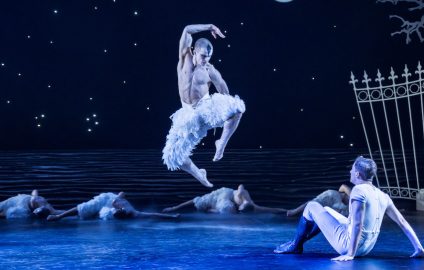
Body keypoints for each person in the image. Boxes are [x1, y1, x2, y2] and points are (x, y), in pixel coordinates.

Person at [274, 156, 424, 261]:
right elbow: (402, 221)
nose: (349, 172)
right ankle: (297, 243)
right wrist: (419, 248)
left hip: (350, 245)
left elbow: (357, 224)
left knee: (311, 206)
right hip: (368, 247)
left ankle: (296, 246)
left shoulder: (358, 191)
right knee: (326, 210)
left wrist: (350, 254)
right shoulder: (383, 195)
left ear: (357, 174)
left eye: (352, 170)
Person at [162, 24, 246, 188]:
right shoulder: (184, 57)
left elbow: (225, 92)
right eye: (203, 56)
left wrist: (227, 108)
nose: (205, 60)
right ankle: (199, 174)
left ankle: (221, 144)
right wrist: (210, 27)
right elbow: (186, 29)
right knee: (172, 157)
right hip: (187, 116)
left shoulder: (210, 70)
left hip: (206, 110)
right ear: (194, 51)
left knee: (238, 108)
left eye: (208, 56)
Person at [47, 192, 179, 221]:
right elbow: (154, 214)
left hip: (107, 207)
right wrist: (171, 215)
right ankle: (59, 215)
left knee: (87, 212)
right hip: (108, 199)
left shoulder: (132, 213)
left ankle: (58, 214)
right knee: (84, 208)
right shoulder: (131, 211)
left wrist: (171, 216)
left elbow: (153, 214)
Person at [162, 184, 287, 214]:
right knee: (200, 201)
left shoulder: (249, 205)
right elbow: (241, 186)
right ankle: (174, 208)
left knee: (220, 207)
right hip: (225, 194)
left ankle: (210, 209)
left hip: (225, 198)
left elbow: (267, 208)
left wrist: (283, 211)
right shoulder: (243, 198)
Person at [286, 184, 351, 217]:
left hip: (338, 209)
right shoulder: (355, 193)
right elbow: (343, 187)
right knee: (313, 203)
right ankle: (294, 211)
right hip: (334, 198)